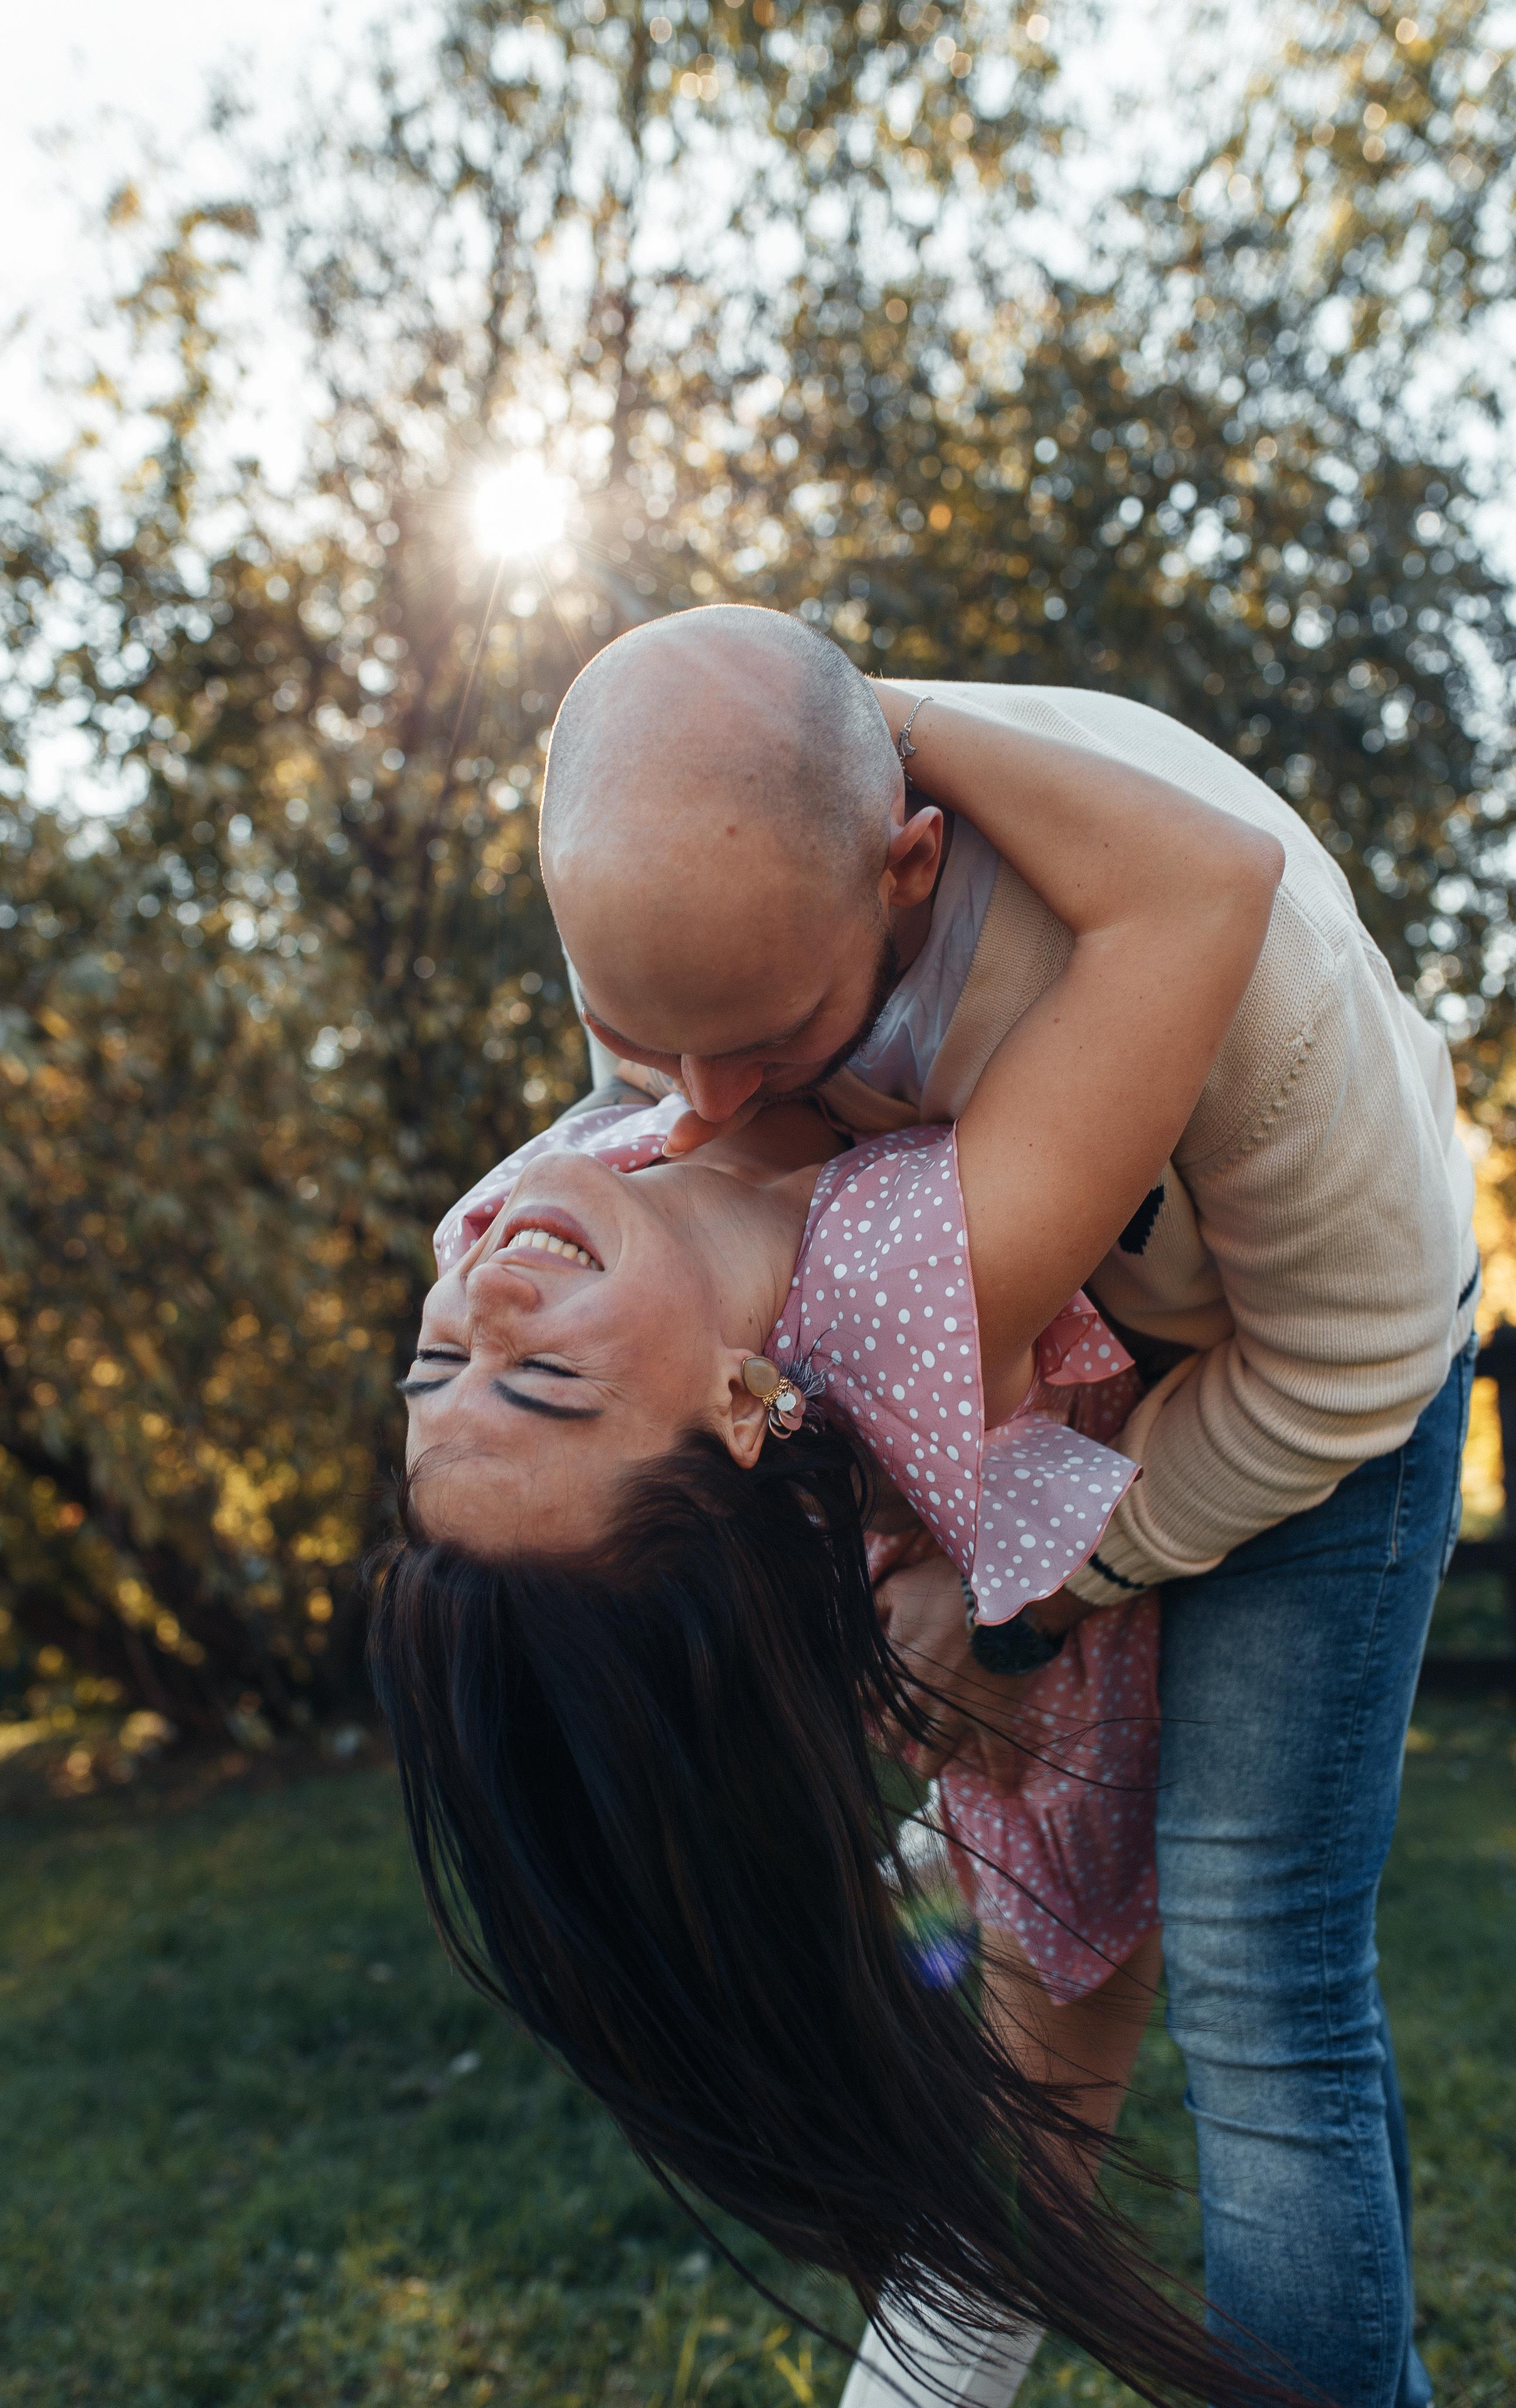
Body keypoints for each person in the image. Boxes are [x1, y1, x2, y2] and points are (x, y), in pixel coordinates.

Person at [538, 606, 1480, 2408]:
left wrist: (1035, 1596)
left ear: (905, 868)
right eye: (637, 1038)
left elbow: (1351, 1359)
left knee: (1254, 1964)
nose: (699, 1106)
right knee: (1050, 1912)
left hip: (1323, 1409)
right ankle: (965, 2301)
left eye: (765, 1036)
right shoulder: (692, 904)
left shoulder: (1242, 966)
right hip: (1053, 1441)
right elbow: (721, 1212)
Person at [369, 727, 1293, 2404]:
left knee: (1019, 2097)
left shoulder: (523, 1227)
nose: (477, 1299)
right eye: (542, 1379)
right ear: (737, 1402)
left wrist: (686, 757)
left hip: (945, 1552)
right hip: (1112, 1558)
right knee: (1046, 2092)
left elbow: (647, 878)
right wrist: (846, 724)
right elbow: (1204, 891)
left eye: (436, 1371)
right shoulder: (907, 1274)